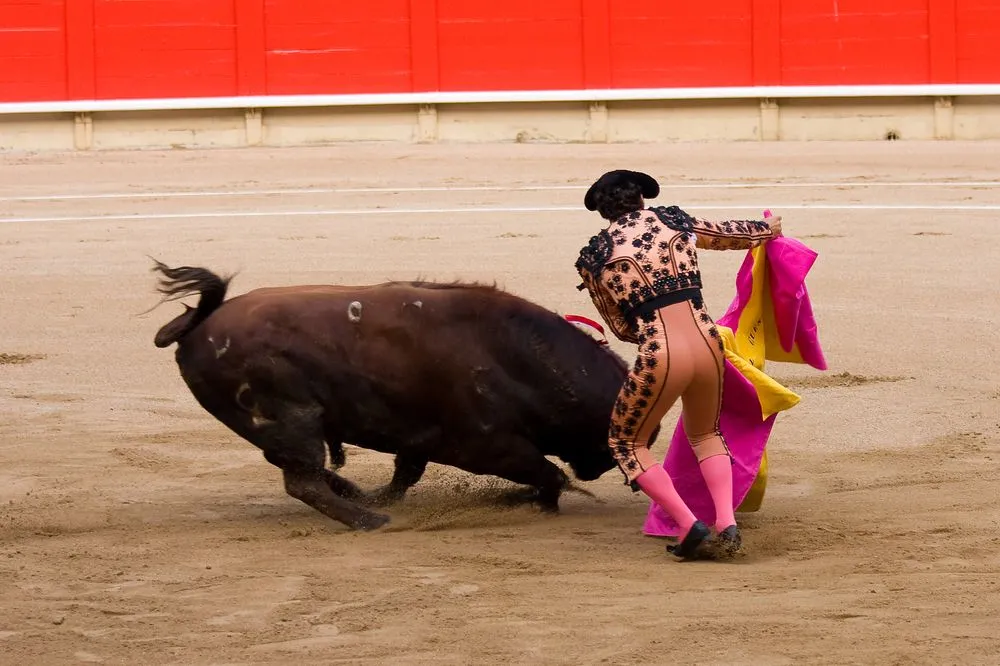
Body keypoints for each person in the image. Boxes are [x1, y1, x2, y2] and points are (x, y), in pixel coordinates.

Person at [574, 169, 782, 560]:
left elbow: (621, 327)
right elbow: (735, 234)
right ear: (641, 198)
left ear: (602, 212)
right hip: (708, 343)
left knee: (626, 442)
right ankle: (725, 520)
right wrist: (768, 228)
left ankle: (689, 526)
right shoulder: (674, 221)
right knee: (706, 433)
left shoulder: (595, 256)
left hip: (660, 352)